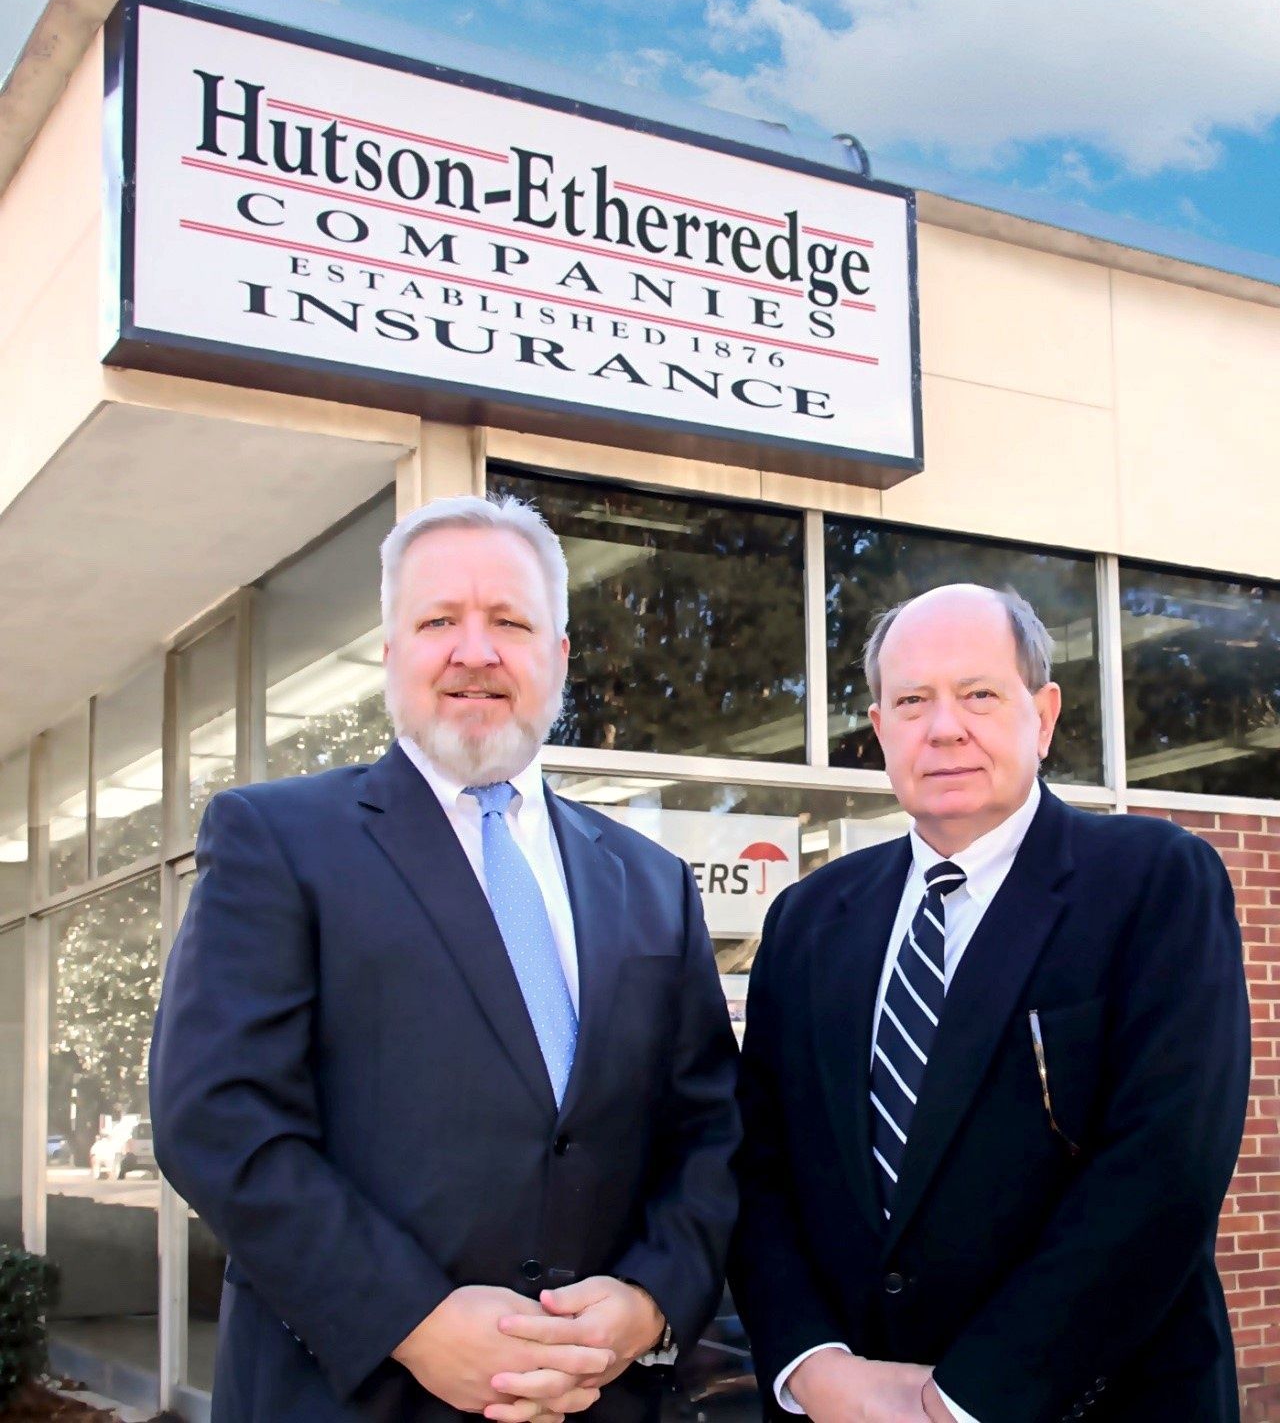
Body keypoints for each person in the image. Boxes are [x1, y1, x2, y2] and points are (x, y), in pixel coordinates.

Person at [150, 494, 740, 1423]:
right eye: (438, 621)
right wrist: (413, 1322)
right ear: (391, 653)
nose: (476, 651)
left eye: (511, 621)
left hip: (602, 1398)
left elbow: (709, 1132)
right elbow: (217, 1119)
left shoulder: (650, 880)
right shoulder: (277, 838)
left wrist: (651, 1303)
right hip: (350, 1397)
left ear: (559, 656)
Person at [730, 583, 1250, 1423]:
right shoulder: (808, 918)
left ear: (1041, 716)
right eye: (912, 701)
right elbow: (759, 1165)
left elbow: (1164, 1168)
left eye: (979, 694)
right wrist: (812, 1364)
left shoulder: (1154, 881)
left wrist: (962, 1401)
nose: (944, 728)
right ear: (880, 728)